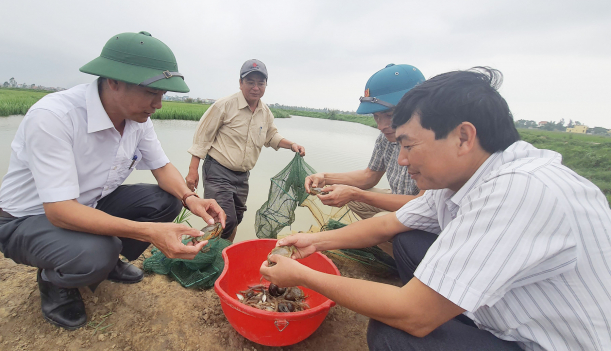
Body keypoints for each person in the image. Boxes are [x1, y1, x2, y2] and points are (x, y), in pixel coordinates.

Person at [261, 67, 611, 350]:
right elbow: (387, 226)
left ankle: (439, 304)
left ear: (463, 137)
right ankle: (448, 303)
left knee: (394, 334)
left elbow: (413, 315)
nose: (401, 158)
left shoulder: (520, 191)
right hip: (508, 308)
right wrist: (316, 242)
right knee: (408, 242)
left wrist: (303, 276)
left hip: (543, 341)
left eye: (409, 145)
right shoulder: (463, 177)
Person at [0, 31, 226, 330]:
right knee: (96, 253)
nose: (158, 104)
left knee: (164, 200)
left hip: (88, 204)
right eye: (151, 92)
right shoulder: (54, 117)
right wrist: (149, 233)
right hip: (26, 221)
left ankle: (110, 259)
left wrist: (191, 199)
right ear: (113, 80)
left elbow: (162, 166)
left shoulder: (137, 119)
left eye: (163, 95)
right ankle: (56, 282)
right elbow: (59, 211)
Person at [186, 59, 305, 241]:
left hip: (242, 176)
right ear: (241, 83)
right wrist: (192, 170)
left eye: (260, 83)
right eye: (250, 82)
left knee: (237, 218)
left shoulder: (265, 112)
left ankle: (223, 254)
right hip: (218, 170)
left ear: (266, 85)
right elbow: (202, 138)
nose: (255, 87)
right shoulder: (224, 105)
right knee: (224, 219)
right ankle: (201, 253)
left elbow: (271, 137)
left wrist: (292, 145)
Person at [304, 64, 426, 222]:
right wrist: (324, 177)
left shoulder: (435, 142)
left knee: (380, 219)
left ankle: (403, 242)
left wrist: (357, 194)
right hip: (403, 199)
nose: (381, 126)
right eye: (376, 117)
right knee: (354, 199)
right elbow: (369, 176)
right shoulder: (385, 138)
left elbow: (424, 203)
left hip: (428, 214)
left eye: (389, 114)